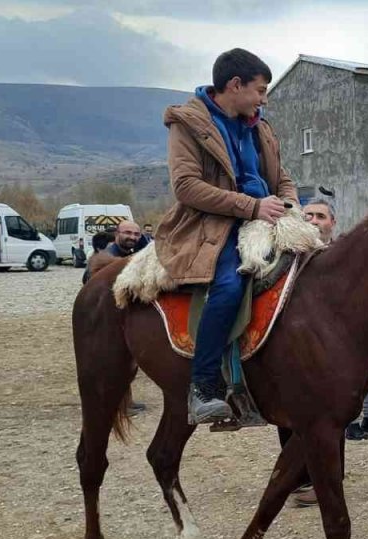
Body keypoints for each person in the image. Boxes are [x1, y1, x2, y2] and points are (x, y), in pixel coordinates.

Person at [157, 48, 297, 424]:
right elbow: (186, 187)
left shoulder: (260, 127)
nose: (264, 100)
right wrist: (251, 208)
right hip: (211, 226)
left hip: (266, 216)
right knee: (230, 286)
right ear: (234, 85)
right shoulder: (187, 124)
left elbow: (281, 177)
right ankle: (203, 386)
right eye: (260, 90)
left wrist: (289, 205)